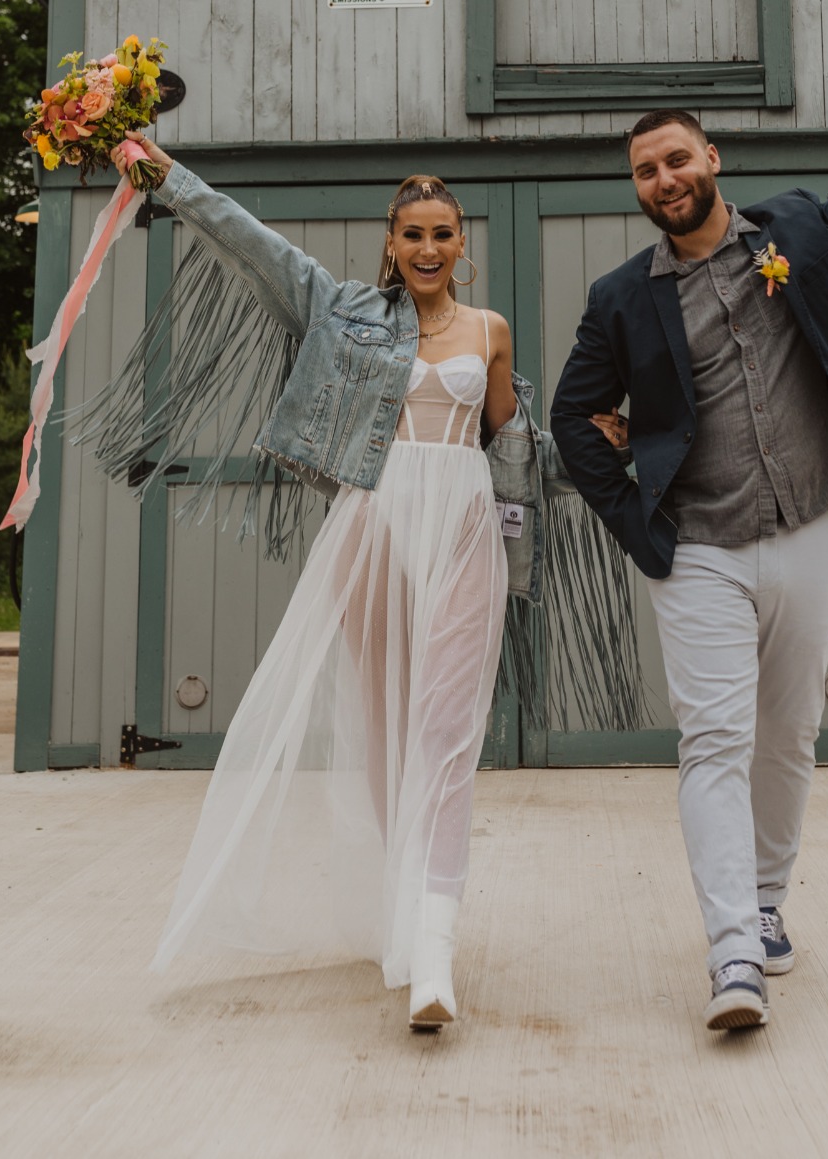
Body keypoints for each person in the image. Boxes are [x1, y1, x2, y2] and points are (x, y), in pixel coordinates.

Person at [105, 137, 631, 1032]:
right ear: (389, 242)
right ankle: (401, 905)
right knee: (390, 737)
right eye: (412, 234)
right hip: (376, 530)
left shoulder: (490, 331)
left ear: (463, 243)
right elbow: (249, 240)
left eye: (443, 234)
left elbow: (514, 444)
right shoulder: (341, 308)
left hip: (464, 531)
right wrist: (169, 177)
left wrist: (611, 444)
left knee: (448, 736)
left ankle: (434, 948)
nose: (428, 249)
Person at [550, 6, 828, 1032]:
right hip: (697, 547)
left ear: (712, 156)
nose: (663, 178)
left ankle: (765, 901)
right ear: (639, 190)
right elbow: (574, 417)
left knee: (787, 736)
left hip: (808, 532)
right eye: (644, 172)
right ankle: (731, 953)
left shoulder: (800, 226)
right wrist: (636, 522)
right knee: (713, 740)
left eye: (675, 158)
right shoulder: (621, 299)